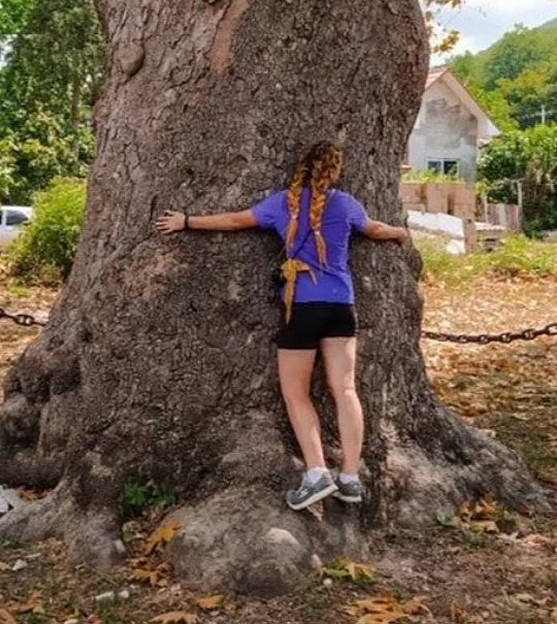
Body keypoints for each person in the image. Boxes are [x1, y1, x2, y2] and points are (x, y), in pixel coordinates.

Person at [154, 141, 409, 510]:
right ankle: (350, 477)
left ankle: (317, 472)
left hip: (303, 307)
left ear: (301, 169)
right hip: (341, 306)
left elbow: (234, 221)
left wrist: (187, 221)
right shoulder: (347, 204)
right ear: (335, 171)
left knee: (296, 393)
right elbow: (375, 229)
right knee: (346, 388)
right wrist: (401, 232)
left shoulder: (282, 205)